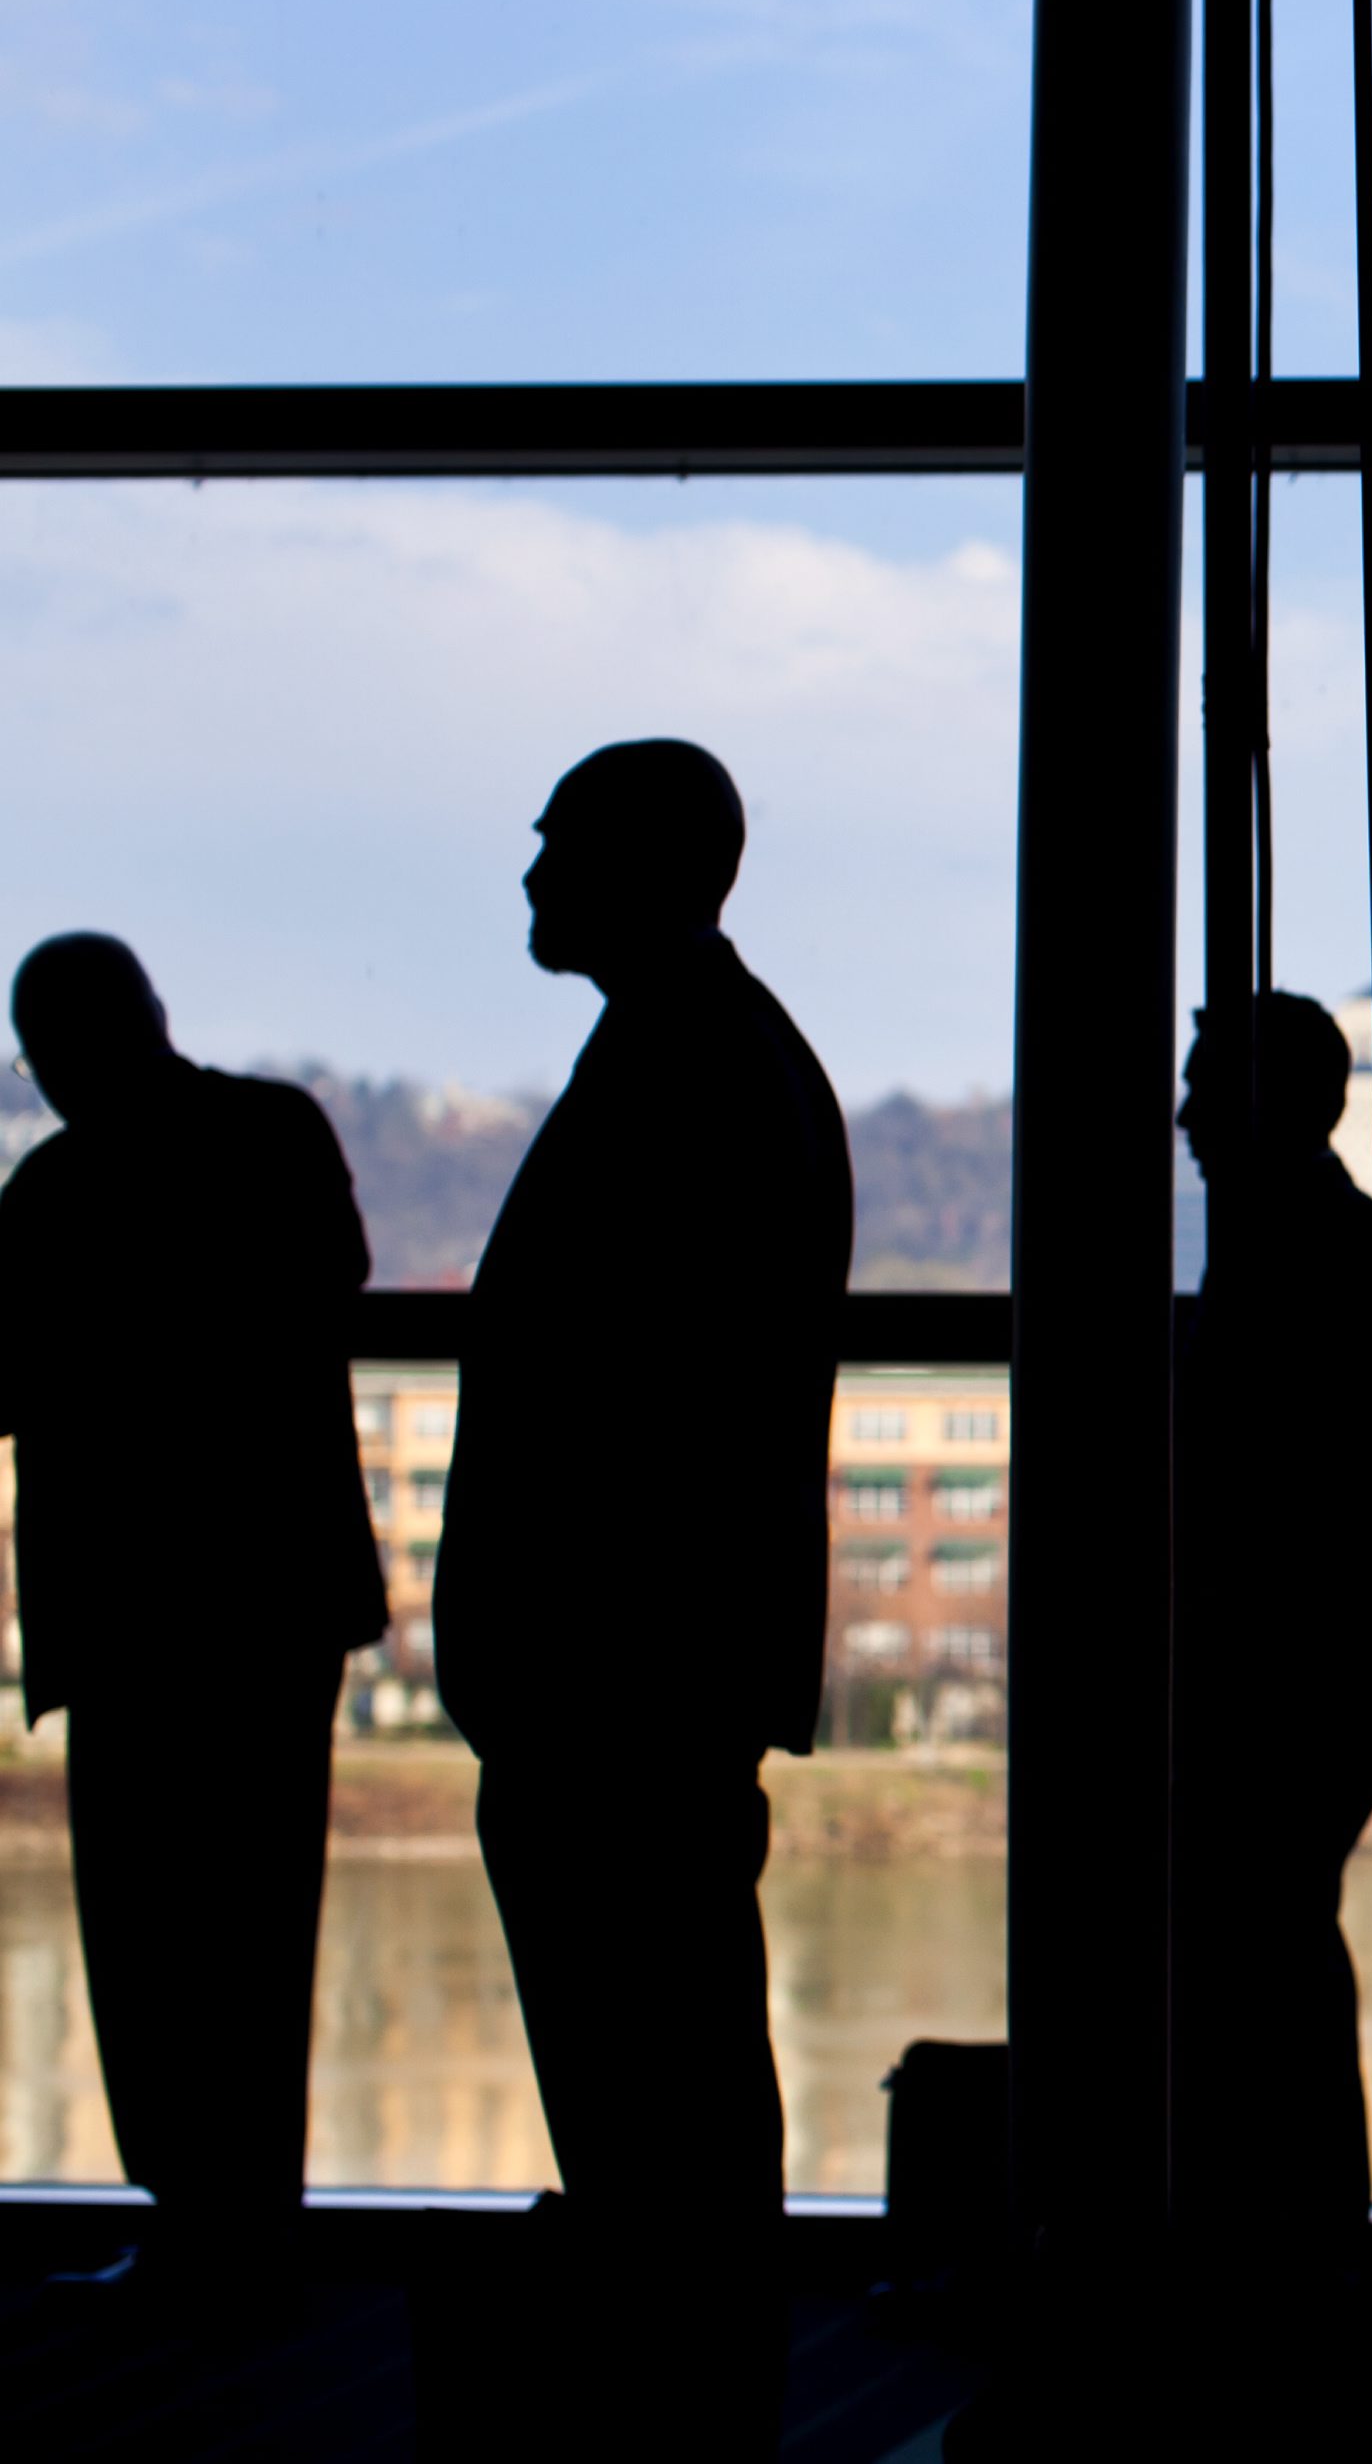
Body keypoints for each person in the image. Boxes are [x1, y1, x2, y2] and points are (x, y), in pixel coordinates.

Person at [431, 740, 849, 2449]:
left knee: (650, 2090)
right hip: (636, 1678)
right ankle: (692, 2389)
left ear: (641, 863)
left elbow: (637, 1407)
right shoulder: (712, 1058)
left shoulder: (687, 1070)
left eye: (556, 848)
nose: (529, 879)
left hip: (620, 1683)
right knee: (665, 2085)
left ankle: (684, 2405)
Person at [0, 935, 381, 2284]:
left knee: (150, 1935)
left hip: (125, 1612)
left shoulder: (50, 1190)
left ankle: (189, 2213)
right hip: (275, 1598)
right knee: (257, 1924)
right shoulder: (276, 1131)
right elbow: (331, 1278)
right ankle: (247, 2221)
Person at [1167, 990, 1372, 2382]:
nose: (1186, 1114)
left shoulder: (1290, 1254)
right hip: (1317, 1676)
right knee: (1283, 1949)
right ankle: (1316, 2248)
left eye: (1204, 1084)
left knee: (1264, 1951)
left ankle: (1298, 2251)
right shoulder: (1327, 1240)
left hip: (1281, 1678)